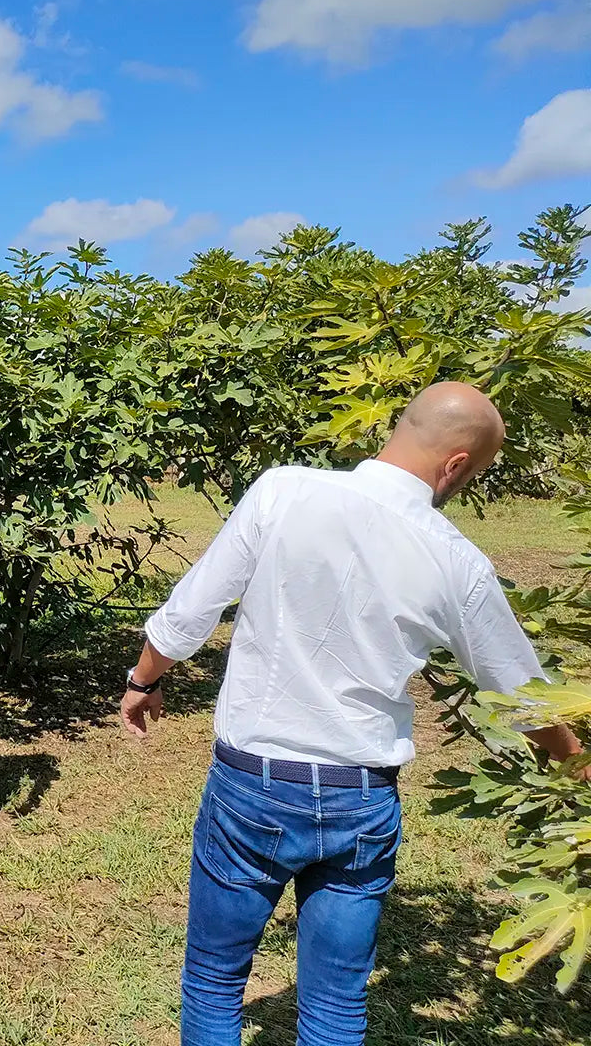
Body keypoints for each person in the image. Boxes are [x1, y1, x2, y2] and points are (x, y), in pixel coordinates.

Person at [120, 382, 584, 1045]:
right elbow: (525, 700)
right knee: (336, 1008)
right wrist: (579, 769)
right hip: (359, 800)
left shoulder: (284, 491)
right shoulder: (460, 562)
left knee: (215, 982)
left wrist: (143, 679)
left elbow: (191, 611)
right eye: (473, 474)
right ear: (455, 464)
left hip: (253, 786)